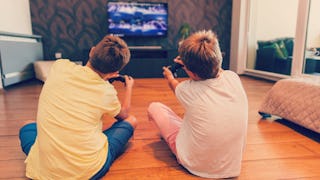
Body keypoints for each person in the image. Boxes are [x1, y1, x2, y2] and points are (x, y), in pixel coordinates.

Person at [19, 35, 137, 179]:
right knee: (131, 120)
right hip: (87, 171)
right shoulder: (106, 92)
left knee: (27, 124)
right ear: (114, 73)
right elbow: (123, 115)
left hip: (44, 171)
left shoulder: (60, 66)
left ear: (92, 51)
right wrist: (129, 87)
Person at [147, 30, 248, 179]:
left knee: (154, 107)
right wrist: (191, 64)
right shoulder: (233, 77)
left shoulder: (186, 89)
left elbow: (174, 84)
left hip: (195, 165)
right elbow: (217, 68)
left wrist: (169, 76)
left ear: (192, 73)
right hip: (231, 168)